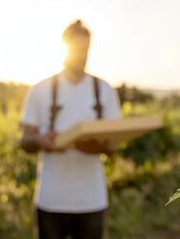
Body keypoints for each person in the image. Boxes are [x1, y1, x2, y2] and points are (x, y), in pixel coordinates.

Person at [20, 19, 121, 239]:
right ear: (64, 48)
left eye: (86, 49)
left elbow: (115, 145)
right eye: (77, 49)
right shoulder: (40, 90)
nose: (82, 55)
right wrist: (40, 140)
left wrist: (99, 146)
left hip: (92, 200)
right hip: (51, 199)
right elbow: (25, 141)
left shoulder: (104, 90)